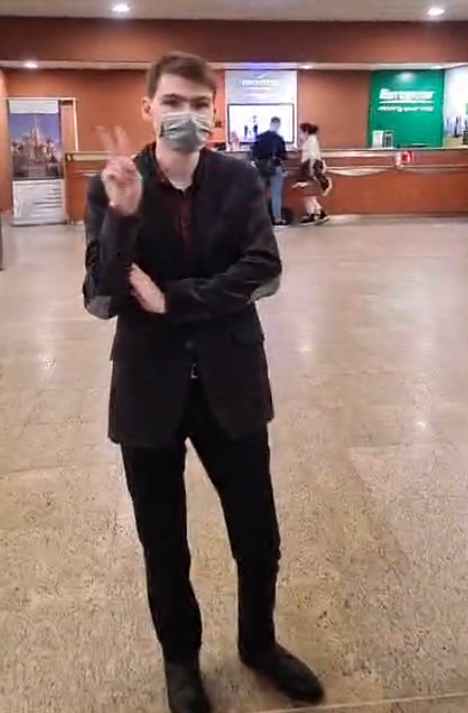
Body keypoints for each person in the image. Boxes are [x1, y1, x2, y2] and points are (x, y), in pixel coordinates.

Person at [83, 52, 324, 713]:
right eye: (172, 103)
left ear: (213, 112)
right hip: (147, 385)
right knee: (164, 542)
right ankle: (181, 661)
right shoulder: (114, 184)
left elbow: (263, 268)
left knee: (258, 532)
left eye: (198, 104)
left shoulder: (239, 180)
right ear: (148, 108)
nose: (185, 115)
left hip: (231, 377)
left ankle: (259, 643)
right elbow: (101, 297)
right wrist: (123, 217)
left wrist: (174, 298)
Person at [252, 117, 288, 227]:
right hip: (275, 168)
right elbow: (283, 155)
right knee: (276, 195)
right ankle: (277, 219)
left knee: (260, 194)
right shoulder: (279, 139)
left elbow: (254, 153)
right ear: (278, 125)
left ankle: (259, 219)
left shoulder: (260, 137)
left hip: (261, 169)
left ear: (270, 123)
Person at [295, 122, 332, 225]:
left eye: (301, 132)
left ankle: (318, 212)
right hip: (307, 167)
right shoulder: (310, 140)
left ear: (306, 132)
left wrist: (311, 169)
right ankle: (313, 213)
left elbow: (312, 156)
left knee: (308, 192)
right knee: (307, 192)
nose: (300, 135)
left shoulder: (311, 140)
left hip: (308, 167)